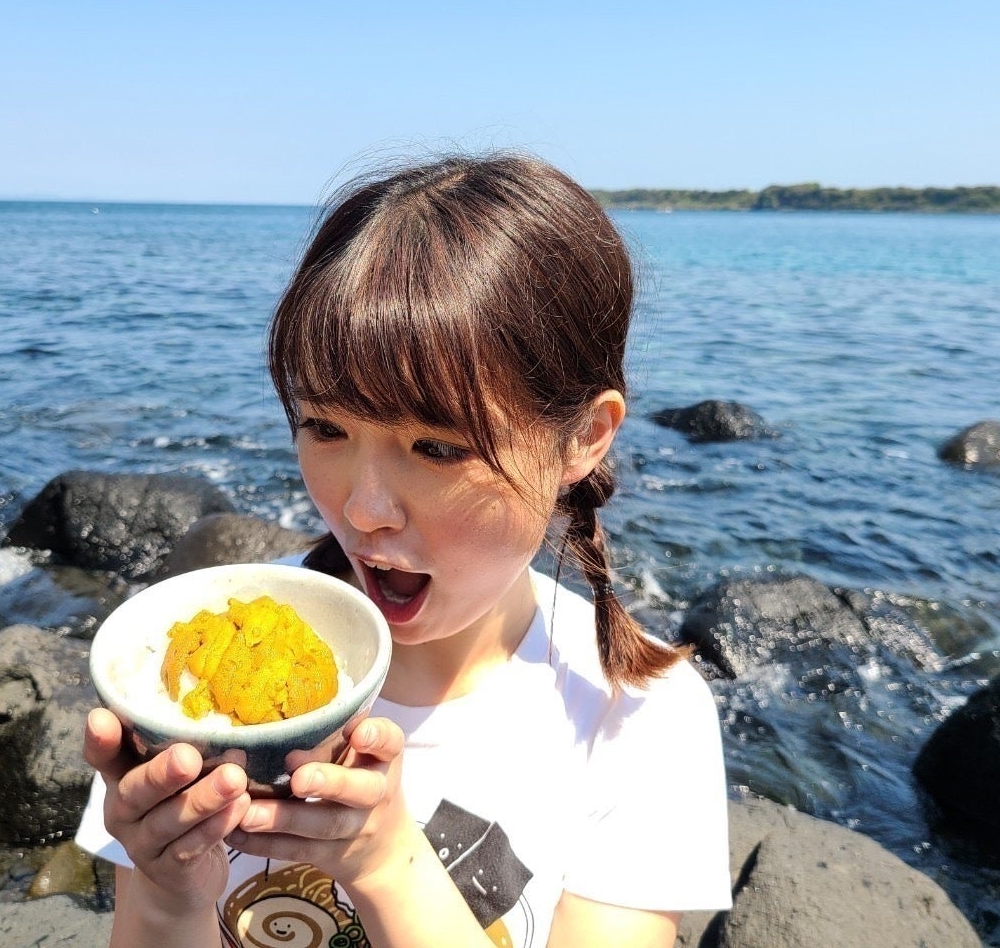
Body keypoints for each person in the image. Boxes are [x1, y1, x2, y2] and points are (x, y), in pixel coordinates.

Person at [76, 153, 732, 948]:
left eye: (437, 447)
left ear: (583, 439)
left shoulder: (640, 715)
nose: (363, 509)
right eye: (325, 428)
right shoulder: (192, 673)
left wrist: (386, 866)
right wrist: (167, 894)